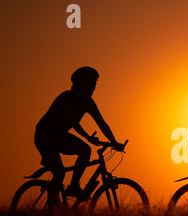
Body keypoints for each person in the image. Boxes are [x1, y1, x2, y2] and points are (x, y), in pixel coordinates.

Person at [34, 66, 124, 205]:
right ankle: (61, 199)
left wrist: (114, 142)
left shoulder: (88, 102)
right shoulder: (67, 97)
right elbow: (73, 123)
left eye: (95, 84)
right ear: (82, 84)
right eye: (92, 84)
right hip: (45, 136)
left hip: (60, 136)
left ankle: (71, 189)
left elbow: (102, 123)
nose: (94, 88)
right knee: (60, 172)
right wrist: (88, 138)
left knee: (84, 151)